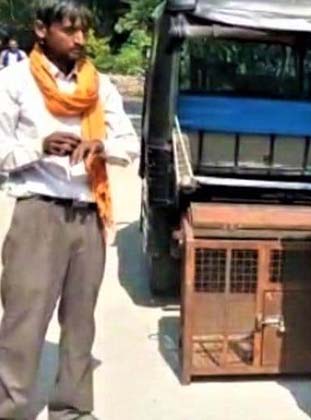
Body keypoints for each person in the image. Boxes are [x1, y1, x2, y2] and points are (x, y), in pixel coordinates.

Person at [0, 1, 139, 419]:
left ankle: (73, 410)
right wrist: (38, 148)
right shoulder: (14, 81)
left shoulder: (100, 85)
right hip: (38, 212)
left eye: (84, 32)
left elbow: (128, 143)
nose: (80, 40)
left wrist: (102, 146)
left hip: (87, 214)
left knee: (80, 324)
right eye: (69, 31)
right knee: (24, 323)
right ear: (41, 30)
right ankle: (12, 409)